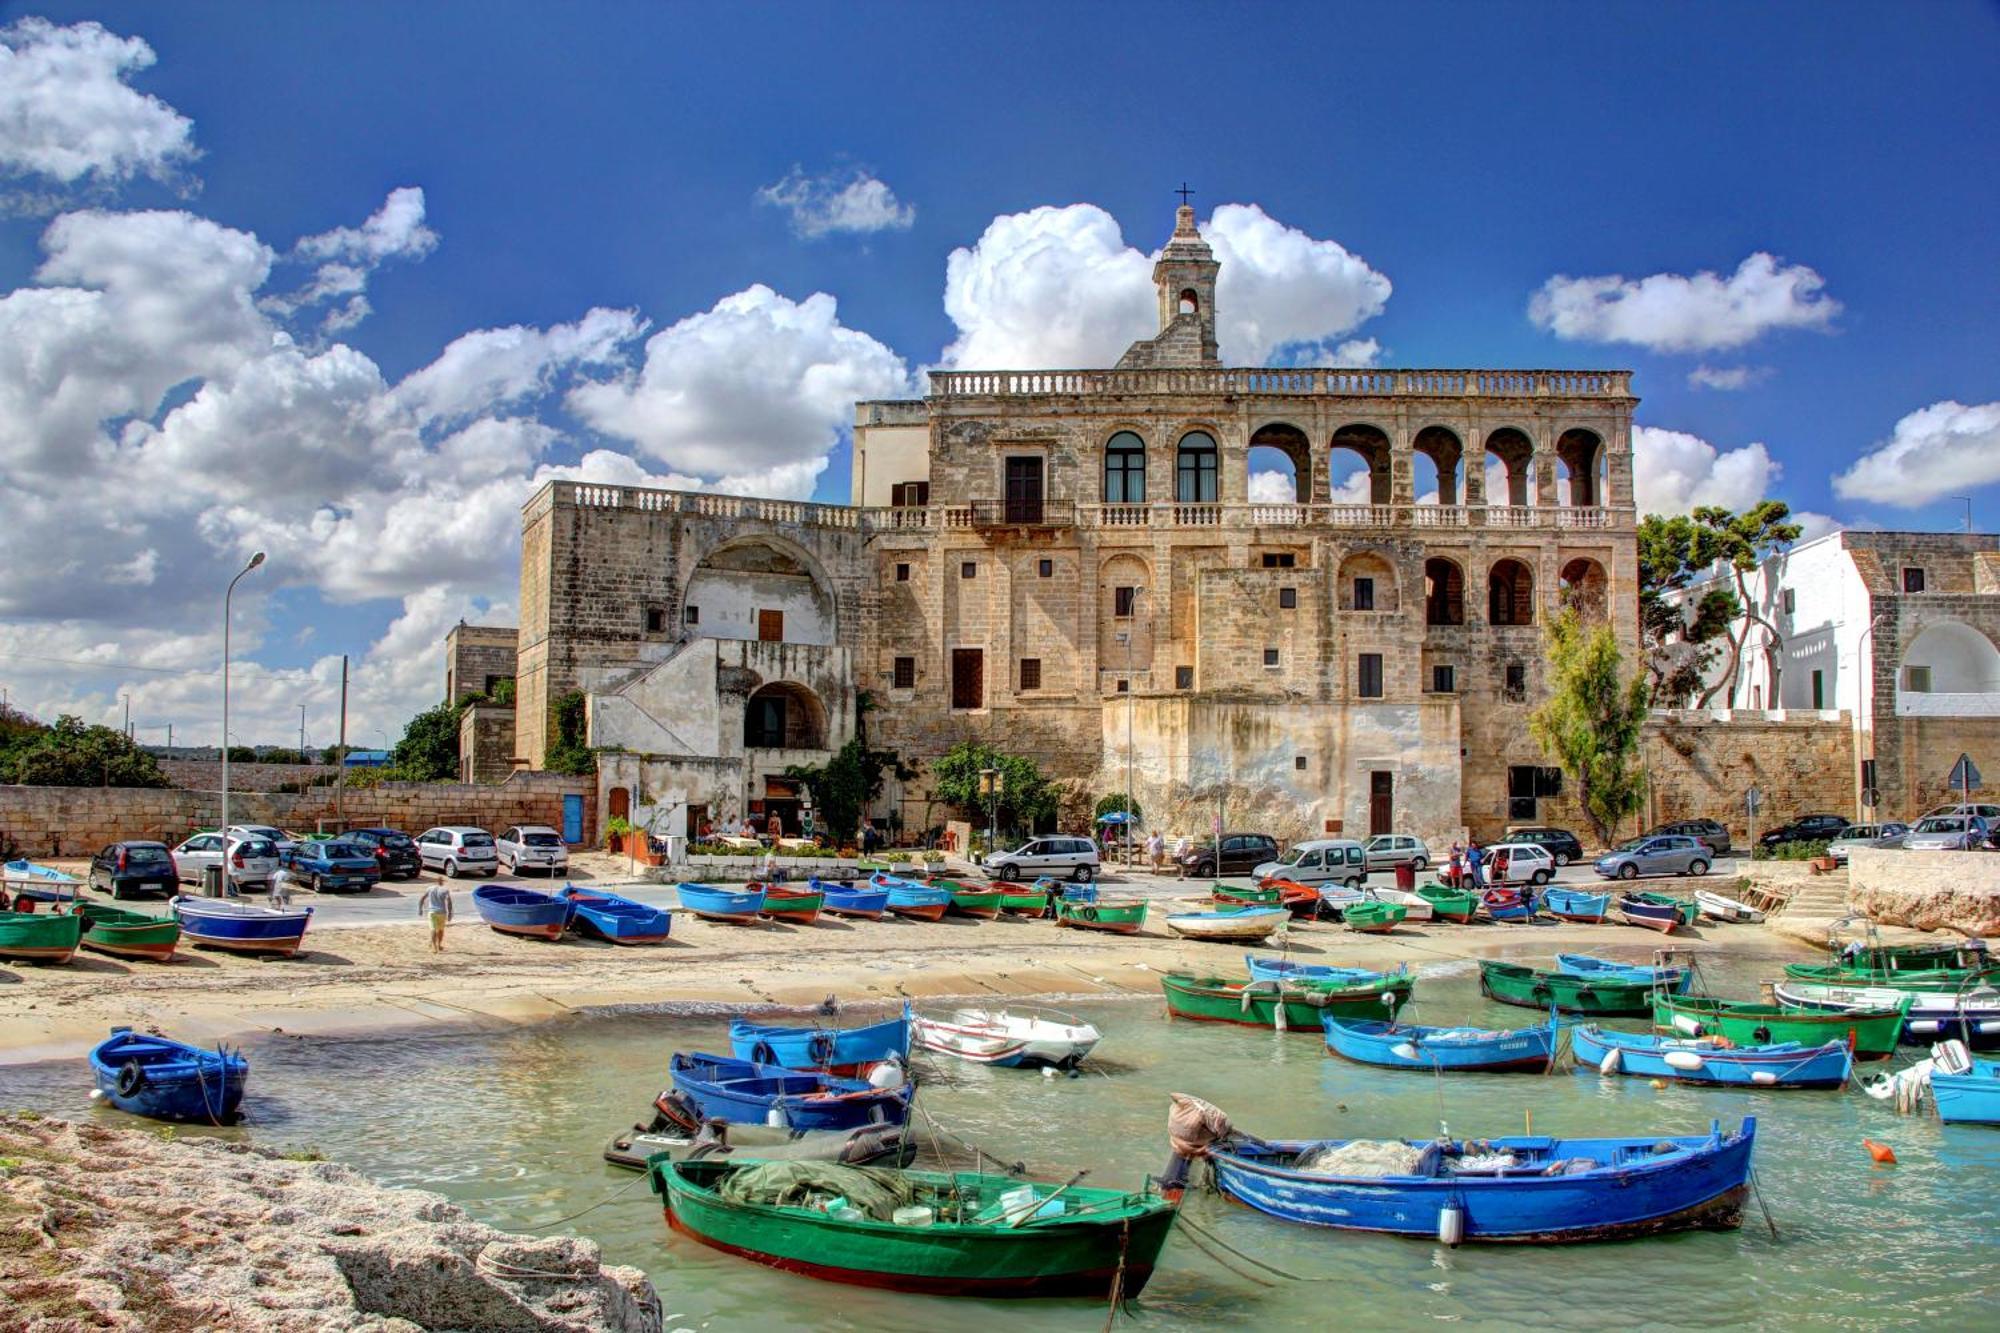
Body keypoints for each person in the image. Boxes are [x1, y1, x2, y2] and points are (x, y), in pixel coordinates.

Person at [419, 876, 453, 953]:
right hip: (442, 912)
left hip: (432, 912)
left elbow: (422, 898)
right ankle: (439, 945)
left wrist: (420, 909)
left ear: (435, 881)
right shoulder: (445, 889)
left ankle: (434, 947)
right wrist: (450, 913)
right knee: (441, 930)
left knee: (433, 929)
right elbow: (449, 901)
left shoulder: (430, 888)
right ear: (442, 882)